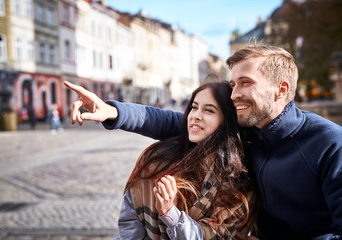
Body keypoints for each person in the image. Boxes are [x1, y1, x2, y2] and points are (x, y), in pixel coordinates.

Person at [64, 44, 342, 240]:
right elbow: (171, 122)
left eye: (245, 83)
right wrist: (115, 112)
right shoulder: (245, 132)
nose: (234, 94)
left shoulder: (329, 143)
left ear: (281, 89)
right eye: (233, 85)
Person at [64, 80, 259, 240]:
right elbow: (131, 220)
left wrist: (170, 214)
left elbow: (213, 236)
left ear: (226, 122)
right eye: (193, 107)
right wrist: (111, 111)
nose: (195, 116)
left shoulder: (238, 183)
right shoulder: (159, 160)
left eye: (209, 110)